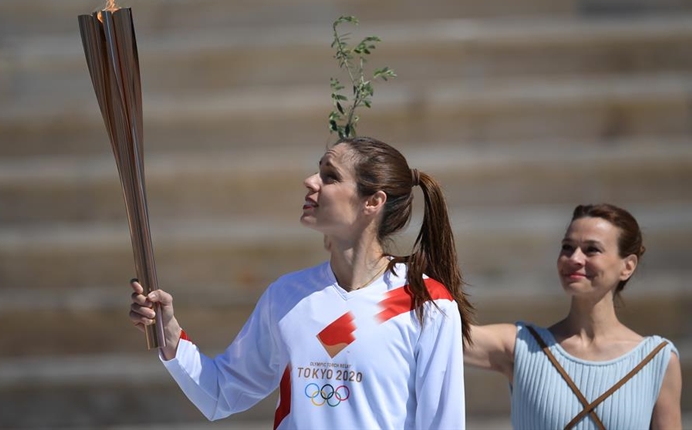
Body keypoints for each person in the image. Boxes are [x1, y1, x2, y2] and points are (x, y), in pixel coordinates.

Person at [130, 136, 474, 429]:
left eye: (330, 176)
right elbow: (222, 392)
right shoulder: (287, 296)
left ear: (373, 201)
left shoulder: (426, 302)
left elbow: (442, 423)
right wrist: (170, 332)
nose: (311, 181)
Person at [465, 203, 682, 430]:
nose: (574, 258)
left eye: (592, 249)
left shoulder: (658, 359)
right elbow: (446, 335)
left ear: (627, 266)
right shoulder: (522, 346)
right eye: (567, 247)